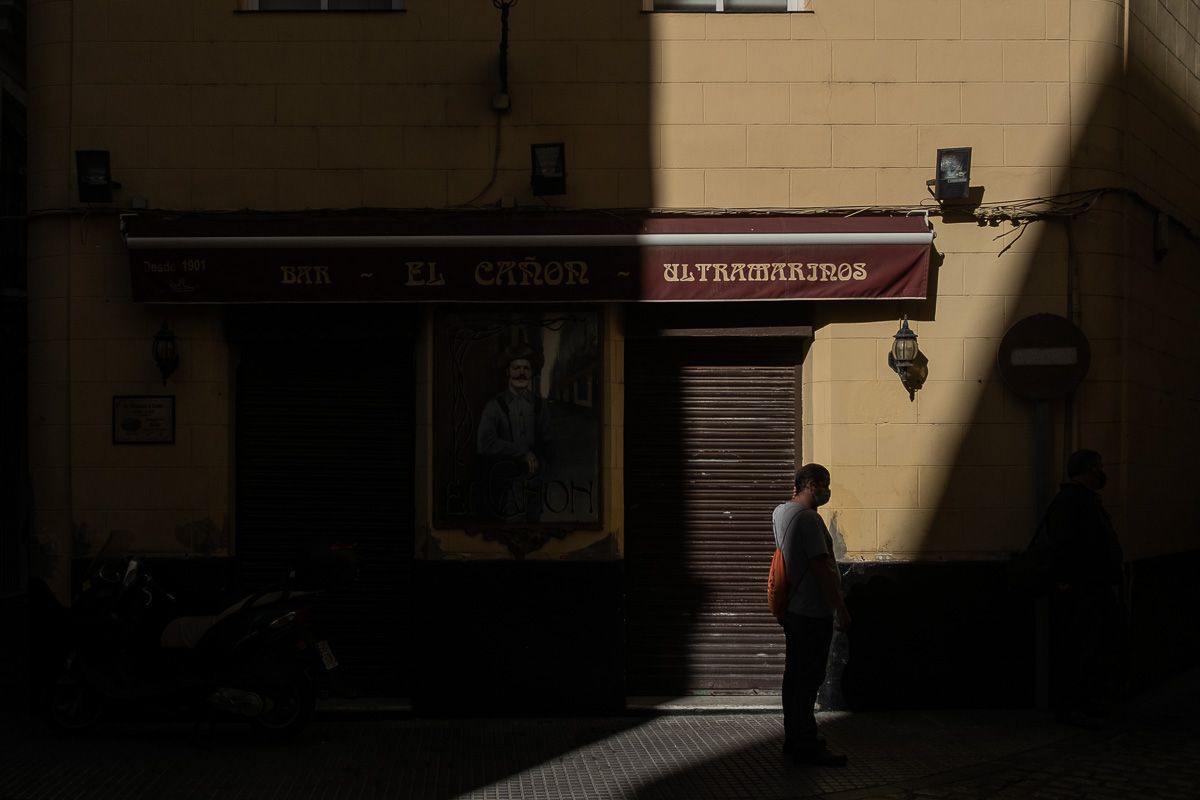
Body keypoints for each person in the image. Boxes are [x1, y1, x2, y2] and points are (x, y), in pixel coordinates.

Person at [773, 463, 851, 766]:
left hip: (792, 609)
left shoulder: (781, 513)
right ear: (812, 485)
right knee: (808, 679)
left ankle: (793, 739)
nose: (827, 491)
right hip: (811, 611)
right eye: (825, 484)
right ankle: (806, 744)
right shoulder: (808, 520)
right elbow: (820, 567)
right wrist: (840, 608)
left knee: (793, 677)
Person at [1044, 449, 1127, 728]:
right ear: (1090, 469)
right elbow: (1063, 545)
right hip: (1083, 591)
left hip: (1091, 587)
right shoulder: (1072, 502)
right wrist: (1068, 582)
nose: (1102, 471)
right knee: (1078, 649)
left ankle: (1083, 702)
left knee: (1090, 647)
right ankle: (1072, 706)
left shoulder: (1083, 501)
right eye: (1099, 466)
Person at [476, 344, 552, 521]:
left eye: (526, 368)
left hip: (534, 483)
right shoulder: (494, 406)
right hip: (503, 482)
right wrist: (522, 452)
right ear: (507, 372)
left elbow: (549, 443)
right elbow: (484, 443)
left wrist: (542, 472)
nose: (521, 372)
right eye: (516, 368)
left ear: (532, 373)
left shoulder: (540, 406)